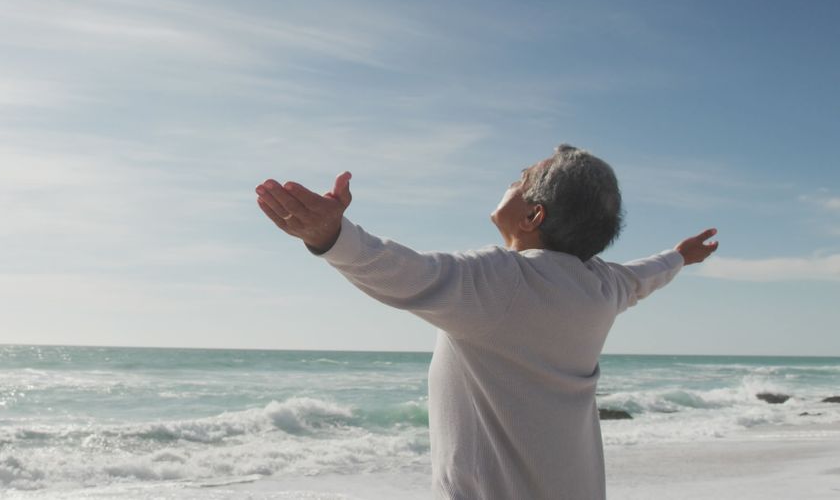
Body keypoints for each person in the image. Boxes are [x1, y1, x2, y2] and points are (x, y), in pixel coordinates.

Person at [254, 144, 719, 500]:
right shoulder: (601, 286)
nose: (512, 182)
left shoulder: (501, 280)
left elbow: (404, 273)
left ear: (535, 214)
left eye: (522, 178)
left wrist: (330, 235)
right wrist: (681, 256)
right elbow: (645, 276)